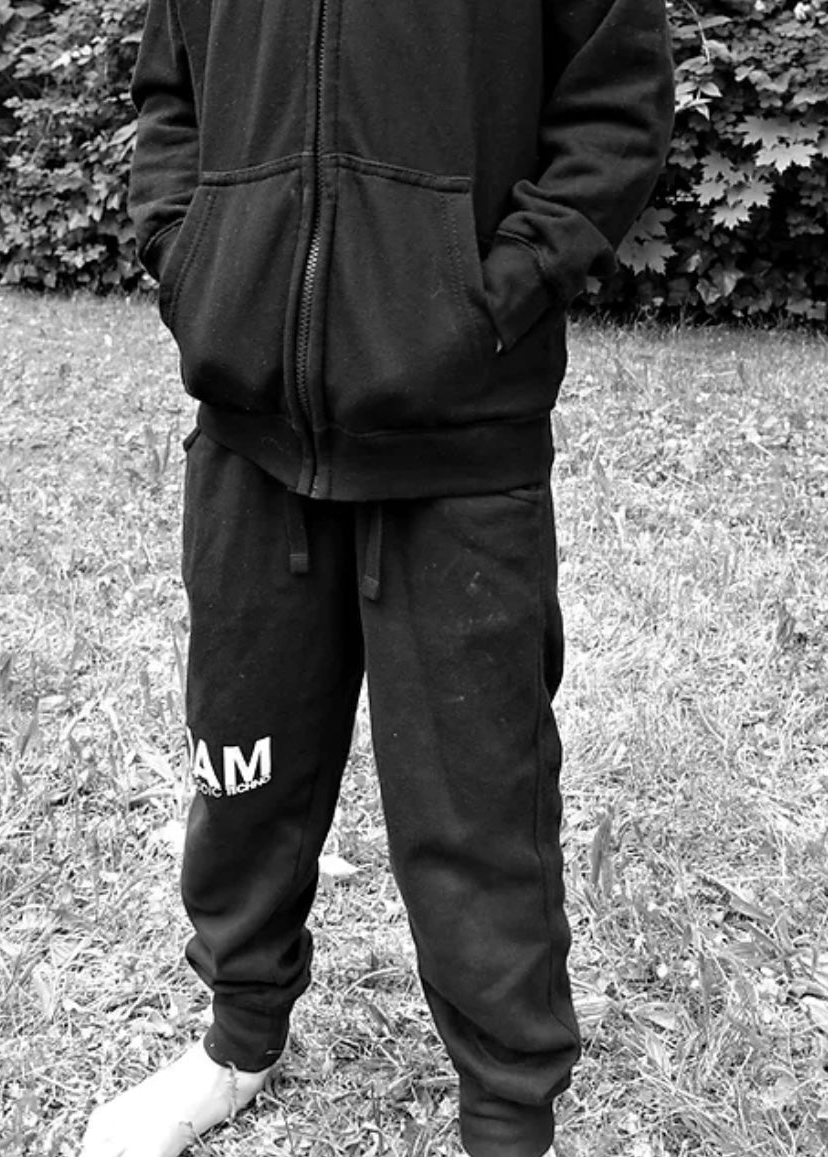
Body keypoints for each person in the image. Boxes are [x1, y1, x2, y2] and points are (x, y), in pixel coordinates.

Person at [81, 2, 675, 1155]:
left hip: (463, 443)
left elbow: (615, 107)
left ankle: (505, 1117)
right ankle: (238, 1039)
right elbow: (170, 96)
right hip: (249, 428)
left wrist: (488, 298)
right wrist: (191, 262)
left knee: (479, 805)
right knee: (241, 766)